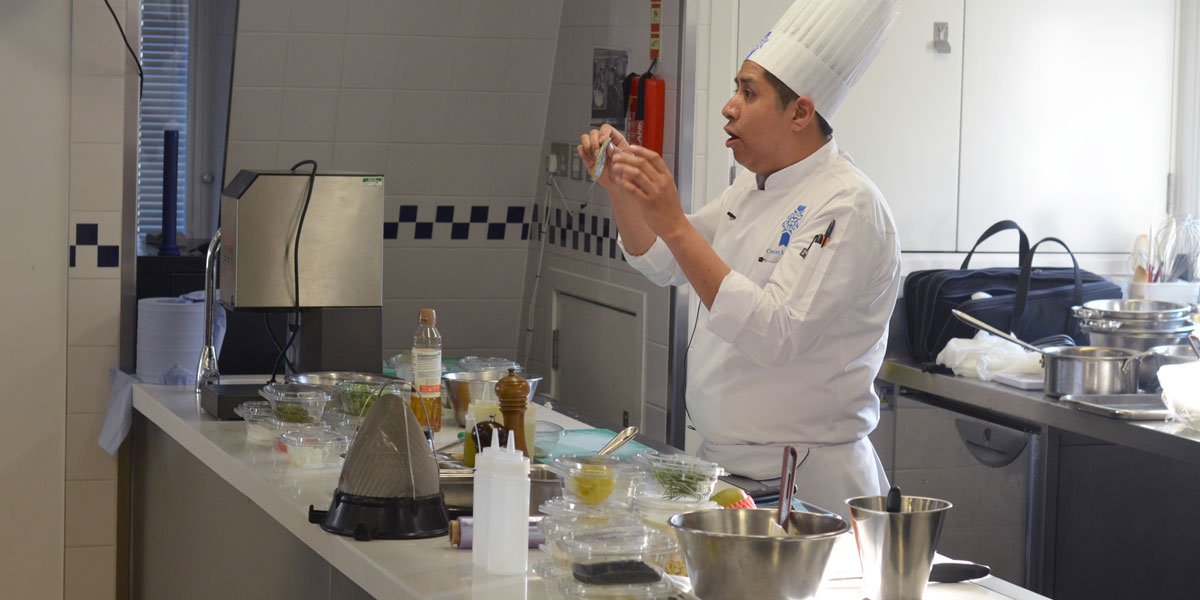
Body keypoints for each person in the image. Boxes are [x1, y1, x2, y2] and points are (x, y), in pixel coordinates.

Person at [577, 0, 901, 516]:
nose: (729, 107)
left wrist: (676, 221)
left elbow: (775, 333)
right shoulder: (751, 185)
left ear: (800, 112)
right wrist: (618, 185)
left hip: (807, 484)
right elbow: (659, 260)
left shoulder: (848, 205)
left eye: (748, 93)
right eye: (735, 88)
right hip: (731, 476)